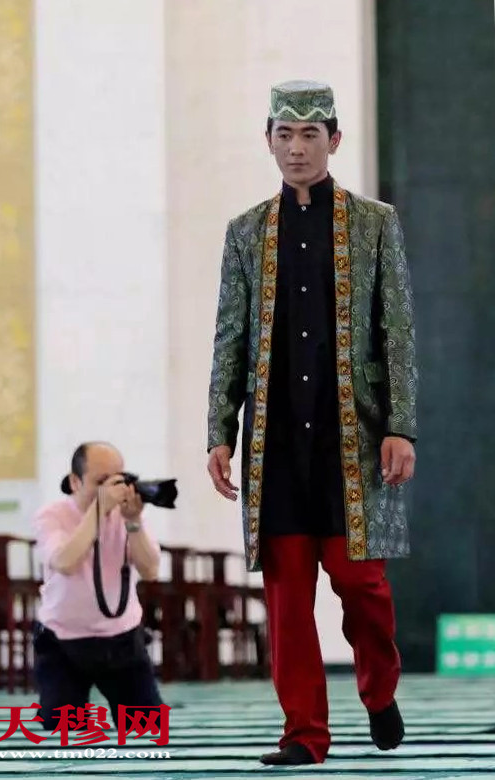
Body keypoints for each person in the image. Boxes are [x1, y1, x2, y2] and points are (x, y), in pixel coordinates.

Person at [207, 80, 417, 766]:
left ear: (334, 140)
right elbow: (229, 338)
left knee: (362, 584)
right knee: (288, 597)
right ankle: (303, 734)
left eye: (309, 135)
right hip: (273, 444)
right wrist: (219, 431)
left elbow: (397, 331)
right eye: (284, 135)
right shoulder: (246, 232)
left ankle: (379, 690)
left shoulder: (374, 223)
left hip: (351, 439)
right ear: (268, 140)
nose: (296, 148)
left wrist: (401, 426)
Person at [33, 441, 163, 731]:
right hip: (63, 641)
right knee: (62, 729)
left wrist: (133, 521)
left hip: (122, 639)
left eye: (118, 479)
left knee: (146, 728)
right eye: (101, 481)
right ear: (75, 482)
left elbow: (150, 570)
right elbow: (65, 561)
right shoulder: (52, 515)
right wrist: (98, 511)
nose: (112, 489)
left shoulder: (127, 515)